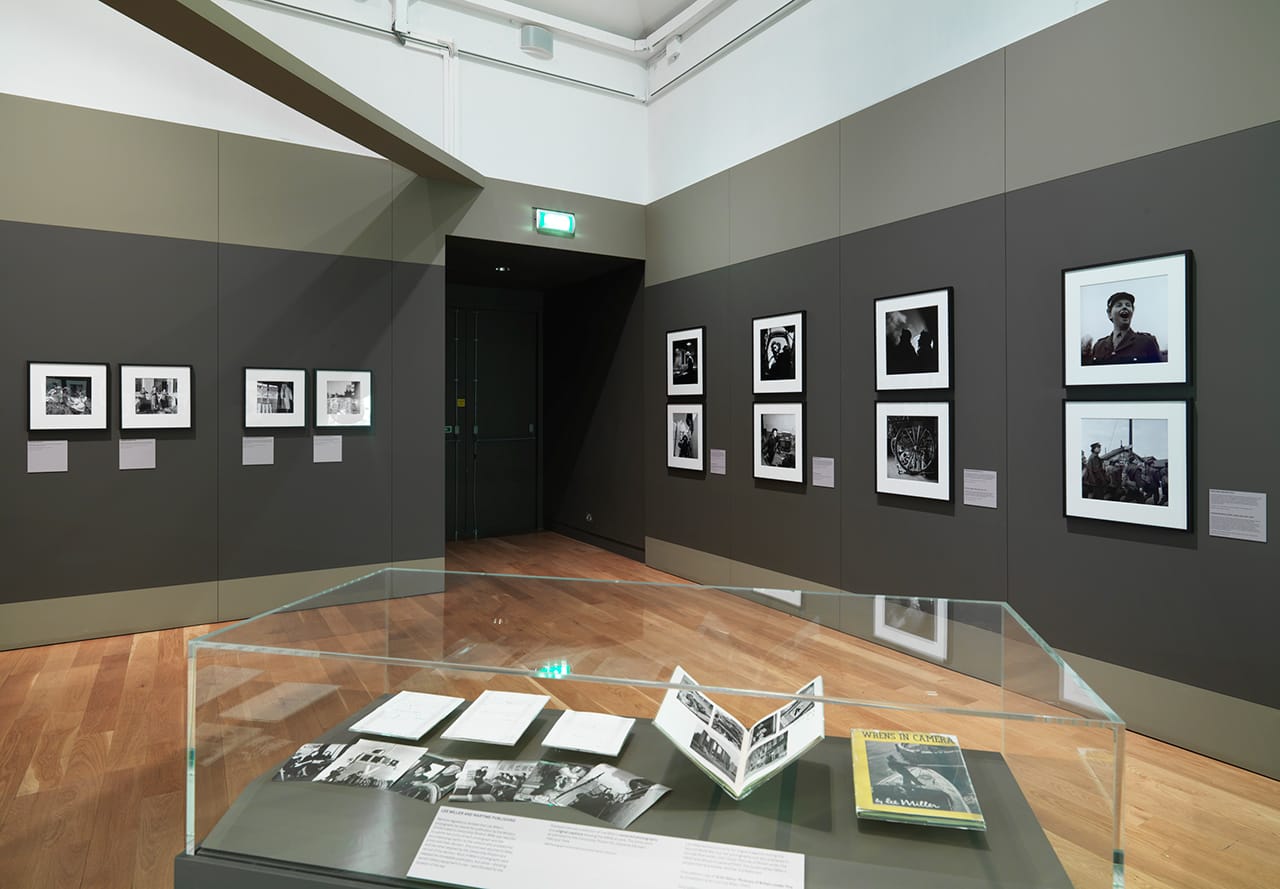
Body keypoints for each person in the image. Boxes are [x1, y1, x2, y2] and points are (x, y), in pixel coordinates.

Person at [1088, 291, 1162, 364]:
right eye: (1119, 305)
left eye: (1128, 305)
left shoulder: (1147, 342)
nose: (1124, 307)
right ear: (1109, 313)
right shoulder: (1098, 346)